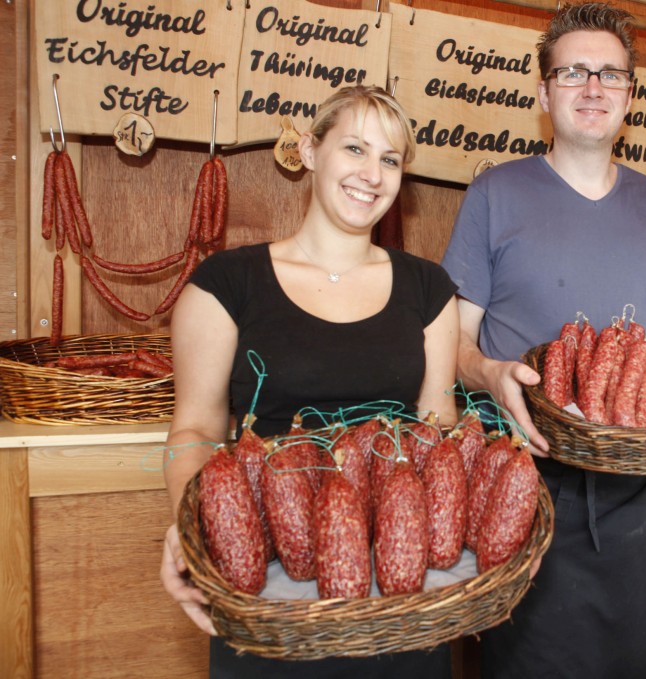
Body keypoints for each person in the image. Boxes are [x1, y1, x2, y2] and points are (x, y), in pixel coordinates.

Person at [442, 4, 646, 677]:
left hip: (645, 493)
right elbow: (454, 342)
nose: (593, 87)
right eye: (574, 72)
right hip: (528, 484)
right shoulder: (494, 194)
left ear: (630, 97)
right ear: (543, 93)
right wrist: (490, 373)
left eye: (610, 74)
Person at [160, 85, 460, 678]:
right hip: (268, 566)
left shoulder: (430, 289)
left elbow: (437, 427)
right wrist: (194, 524)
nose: (371, 174)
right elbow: (194, 428)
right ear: (309, 151)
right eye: (354, 148)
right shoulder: (226, 282)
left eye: (390, 159)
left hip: (396, 576)